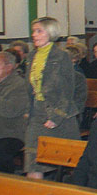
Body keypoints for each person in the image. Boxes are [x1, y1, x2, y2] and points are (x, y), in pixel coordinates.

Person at [25, 17, 81, 179]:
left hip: (58, 114)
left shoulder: (61, 57)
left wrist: (56, 115)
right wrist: (29, 109)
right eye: (34, 31)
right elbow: (31, 88)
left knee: (70, 162)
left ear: (50, 32)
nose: (34, 35)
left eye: (39, 31)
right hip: (37, 112)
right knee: (32, 161)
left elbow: (67, 90)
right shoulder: (31, 56)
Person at [0, 51, 29, 173]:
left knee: (1, 152)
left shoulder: (19, 85)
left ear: (9, 67)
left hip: (11, 133)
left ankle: (6, 186)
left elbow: (10, 111)